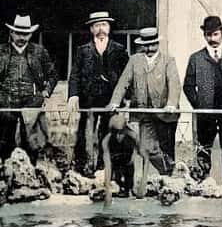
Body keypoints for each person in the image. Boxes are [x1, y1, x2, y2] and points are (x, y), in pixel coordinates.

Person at [108, 27, 181, 175]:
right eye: (146, 45)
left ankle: (168, 181)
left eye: (152, 45)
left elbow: (174, 83)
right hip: (143, 112)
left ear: (157, 44)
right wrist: (115, 101)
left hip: (165, 113)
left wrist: (171, 103)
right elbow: (123, 82)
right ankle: (171, 170)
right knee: (145, 148)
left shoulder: (168, 61)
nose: (149, 48)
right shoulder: (135, 60)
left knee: (166, 148)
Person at [183, 16, 222, 181]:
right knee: (203, 149)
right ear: (204, 35)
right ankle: (202, 184)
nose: (212, 39)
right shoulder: (196, 58)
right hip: (206, 113)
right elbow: (188, 86)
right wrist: (199, 106)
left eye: (216, 34)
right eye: (209, 35)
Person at [68, 11, 129, 176]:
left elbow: (127, 76)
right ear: (91, 30)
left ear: (109, 27)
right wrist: (73, 95)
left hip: (111, 102)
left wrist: (127, 99)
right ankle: (82, 170)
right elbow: (74, 75)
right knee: (85, 136)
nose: (100, 29)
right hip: (89, 101)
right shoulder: (82, 50)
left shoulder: (119, 49)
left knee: (109, 135)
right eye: (96, 25)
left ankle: (106, 170)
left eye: (104, 25)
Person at [0, 14, 58, 163]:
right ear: (11, 33)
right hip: (6, 102)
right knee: (5, 140)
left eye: (25, 34)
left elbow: (53, 74)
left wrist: (46, 91)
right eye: (18, 33)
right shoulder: (2, 51)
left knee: (32, 142)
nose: (21, 37)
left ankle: (31, 174)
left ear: (31, 34)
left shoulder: (39, 51)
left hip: (32, 102)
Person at [102, 113, 148, 205]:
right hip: (115, 163)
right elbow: (107, 166)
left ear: (125, 129)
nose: (118, 135)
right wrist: (108, 192)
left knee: (131, 188)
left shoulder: (133, 136)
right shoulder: (106, 140)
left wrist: (143, 184)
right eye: (116, 132)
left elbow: (146, 158)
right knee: (114, 189)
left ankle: (129, 189)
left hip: (128, 163)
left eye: (121, 132)